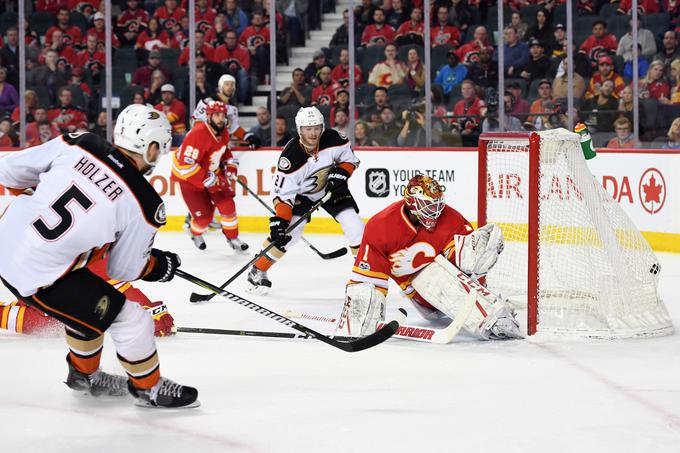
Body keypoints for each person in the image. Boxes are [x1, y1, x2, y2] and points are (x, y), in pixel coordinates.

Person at [0, 104, 198, 408]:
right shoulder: (145, 203)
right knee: (132, 320)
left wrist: (33, 201)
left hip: (6, 238)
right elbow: (126, 267)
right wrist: (159, 265)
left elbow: (9, 171)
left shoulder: (80, 142)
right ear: (152, 147)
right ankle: (149, 388)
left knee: (88, 307)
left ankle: (84, 376)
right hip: (40, 273)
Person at [336, 175, 521, 340]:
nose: (436, 209)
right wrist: (359, 315)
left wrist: (478, 264)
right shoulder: (381, 227)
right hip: (419, 291)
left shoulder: (450, 217)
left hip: (452, 281)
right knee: (428, 274)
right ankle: (491, 320)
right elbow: (368, 278)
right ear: (412, 203)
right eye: (429, 205)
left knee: (471, 248)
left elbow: (462, 263)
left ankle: (490, 314)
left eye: (437, 203)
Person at [247, 107, 364, 294]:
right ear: (300, 129)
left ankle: (363, 276)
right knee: (288, 236)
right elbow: (283, 198)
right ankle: (257, 269)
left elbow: (350, 160)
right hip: (301, 195)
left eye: (317, 127)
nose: (313, 133)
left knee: (355, 225)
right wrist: (280, 224)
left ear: (322, 127)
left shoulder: (333, 138)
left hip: (331, 187)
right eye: (308, 129)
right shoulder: (290, 158)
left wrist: (342, 172)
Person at [0, 256, 175, 337]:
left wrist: (151, 311)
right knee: (57, 321)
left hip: (31, 266)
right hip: (33, 270)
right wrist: (151, 314)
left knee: (65, 319)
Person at [172, 100, 248, 252]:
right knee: (204, 219)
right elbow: (185, 166)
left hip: (212, 174)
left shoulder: (223, 132)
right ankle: (194, 232)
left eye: (223, 115)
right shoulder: (198, 134)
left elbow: (224, 151)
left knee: (227, 205)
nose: (220, 118)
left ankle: (232, 238)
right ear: (208, 116)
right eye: (217, 115)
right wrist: (206, 177)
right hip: (189, 179)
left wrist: (230, 165)